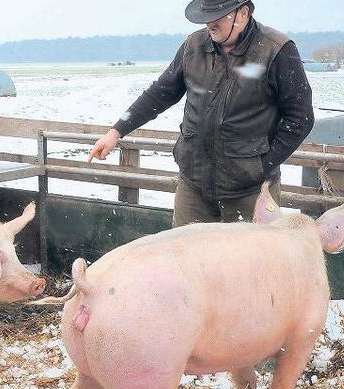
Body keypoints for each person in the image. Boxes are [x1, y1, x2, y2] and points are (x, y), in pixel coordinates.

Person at [88, 0, 314, 226]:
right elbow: (160, 93)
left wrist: (262, 167)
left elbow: (301, 118)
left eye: (219, 16)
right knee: (183, 248)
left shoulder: (276, 50)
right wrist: (116, 131)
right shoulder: (193, 46)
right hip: (194, 188)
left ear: (243, 13)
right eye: (207, 16)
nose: (209, 23)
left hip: (250, 192)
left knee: (252, 250)